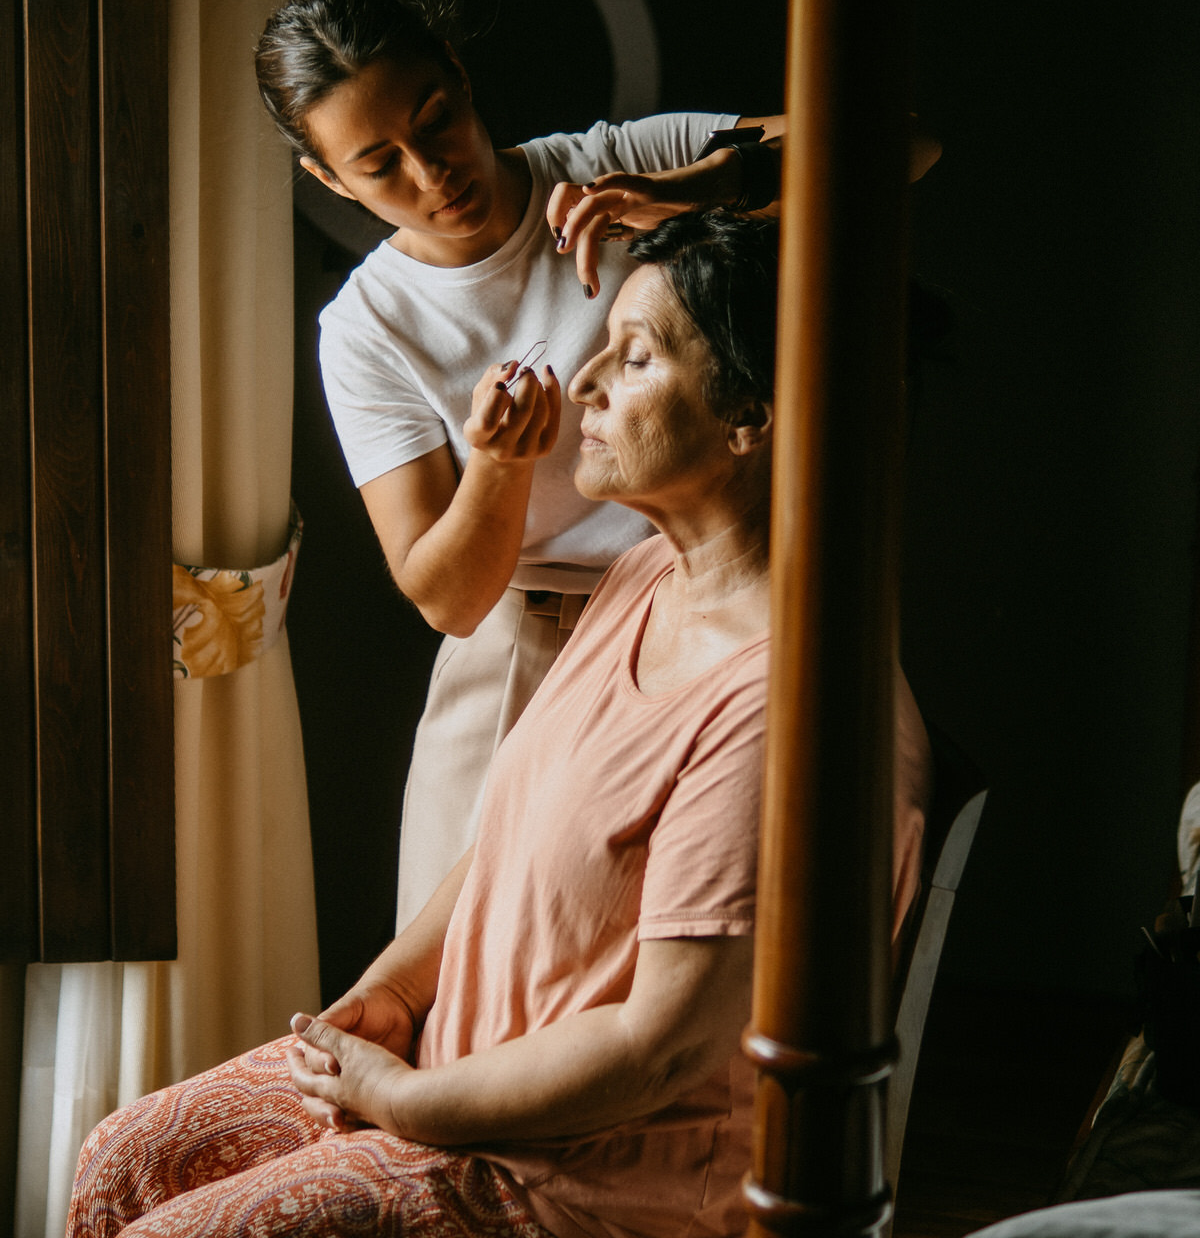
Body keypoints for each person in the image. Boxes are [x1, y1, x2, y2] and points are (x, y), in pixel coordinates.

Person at [67, 211, 931, 1238]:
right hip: (459, 1080)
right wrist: (394, 992)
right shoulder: (646, 573)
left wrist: (401, 1100)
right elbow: (507, 845)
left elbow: (656, 1050)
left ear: (750, 415)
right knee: (122, 1158)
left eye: (637, 356)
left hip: (575, 1183)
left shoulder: (785, 714)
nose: (587, 380)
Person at [254, 0, 786, 929]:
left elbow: (906, 145)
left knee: (690, 941)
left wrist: (692, 191)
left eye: (437, 122)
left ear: (460, 76)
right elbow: (449, 601)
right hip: (524, 646)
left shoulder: (613, 165)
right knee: (454, 956)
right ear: (329, 181)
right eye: (380, 165)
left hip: (713, 616)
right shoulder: (368, 330)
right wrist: (496, 468)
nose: (432, 174)